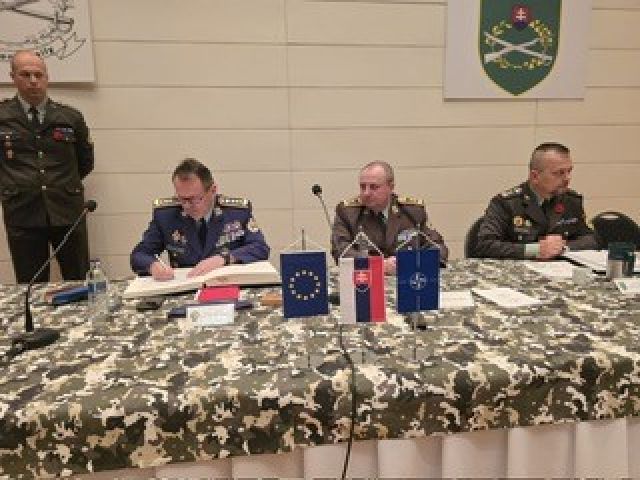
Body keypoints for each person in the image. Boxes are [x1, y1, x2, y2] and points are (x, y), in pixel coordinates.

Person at [0, 50, 94, 283]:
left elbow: (85, 162)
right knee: (30, 284)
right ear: (13, 77)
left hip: (67, 210)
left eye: (38, 75)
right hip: (22, 213)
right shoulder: (2, 116)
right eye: (25, 74)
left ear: (47, 77)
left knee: (78, 280)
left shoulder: (70, 117)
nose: (33, 81)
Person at [131, 158, 270, 280]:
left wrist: (224, 258)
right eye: (182, 199)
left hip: (226, 286)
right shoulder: (166, 216)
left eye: (195, 199)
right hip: (185, 289)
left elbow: (260, 248)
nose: (187, 206)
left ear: (213, 190)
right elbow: (139, 254)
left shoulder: (236, 212)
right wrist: (152, 265)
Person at [476, 142, 597, 259]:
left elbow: (591, 239)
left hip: (560, 269)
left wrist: (562, 247)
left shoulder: (571, 201)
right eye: (559, 173)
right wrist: (536, 249)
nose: (567, 178)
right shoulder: (507, 203)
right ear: (535, 176)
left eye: (569, 171)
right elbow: (485, 245)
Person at [331, 161, 448, 274]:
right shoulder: (347, 212)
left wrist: (410, 264)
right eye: (362, 187)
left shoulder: (413, 211)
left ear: (391, 187)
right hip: (366, 280)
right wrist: (379, 265)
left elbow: (438, 248)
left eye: (374, 187)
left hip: (407, 278)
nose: (366, 193)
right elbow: (341, 252)